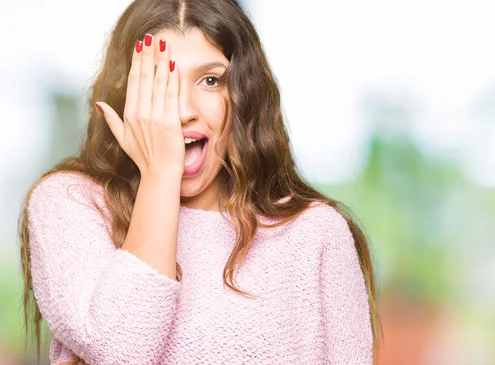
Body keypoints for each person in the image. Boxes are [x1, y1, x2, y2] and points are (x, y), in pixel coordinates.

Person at [18, 0, 380, 364]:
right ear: (127, 94)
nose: (182, 110)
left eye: (210, 80)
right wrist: (159, 175)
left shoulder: (316, 233)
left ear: (243, 96)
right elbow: (121, 351)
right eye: (160, 82)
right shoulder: (72, 204)